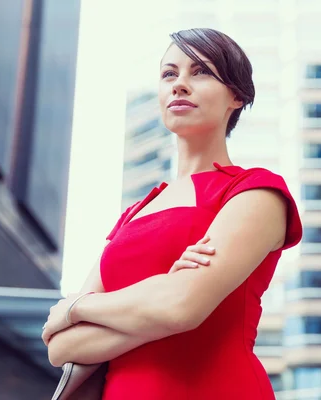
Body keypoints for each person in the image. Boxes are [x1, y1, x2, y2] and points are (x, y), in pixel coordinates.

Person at [42, 27, 302, 399]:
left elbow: (182, 308)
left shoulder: (256, 191)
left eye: (200, 72)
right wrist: (162, 292)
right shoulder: (134, 212)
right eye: (169, 74)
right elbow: (62, 347)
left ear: (237, 95)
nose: (180, 84)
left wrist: (79, 307)